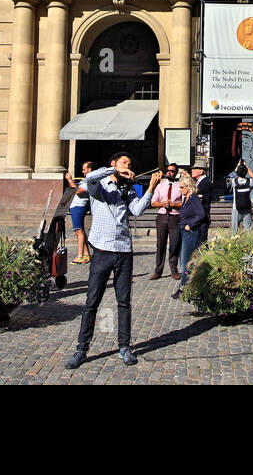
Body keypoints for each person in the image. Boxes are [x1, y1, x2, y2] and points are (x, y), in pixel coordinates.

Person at [66, 154, 162, 368]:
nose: (128, 166)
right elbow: (89, 177)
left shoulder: (126, 189)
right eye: (124, 163)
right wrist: (114, 172)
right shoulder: (99, 185)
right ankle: (82, 349)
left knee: (124, 301)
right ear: (113, 164)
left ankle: (124, 347)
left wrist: (150, 188)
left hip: (124, 251)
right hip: (102, 250)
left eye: (129, 163)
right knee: (92, 302)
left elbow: (137, 210)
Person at [173, 177, 206, 299]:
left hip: (190, 232)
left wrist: (190, 224)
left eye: (182, 187)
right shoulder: (187, 199)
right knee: (183, 260)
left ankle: (185, 289)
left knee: (186, 261)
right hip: (183, 231)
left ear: (188, 187)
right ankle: (186, 287)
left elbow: (201, 214)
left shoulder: (194, 198)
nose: (180, 189)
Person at [151, 163, 183, 280]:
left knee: (174, 244)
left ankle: (174, 270)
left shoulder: (180, 186)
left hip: (175, 217)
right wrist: (162, 204)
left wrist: (173, 204)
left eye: (172, 171)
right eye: (168, 171)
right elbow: (153, 202)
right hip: (162, 217)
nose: (170, 173)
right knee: (160, 245)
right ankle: (158, 271)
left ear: (176, 172)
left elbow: (183, 202)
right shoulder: (160, 186)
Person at [66, 162, 94, 265]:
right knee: (79, 230)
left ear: (89, 169)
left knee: (79, 230)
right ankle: (86, 254)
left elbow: (78, 191)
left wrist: (69, 180)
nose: (82, 171)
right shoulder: (85, 179)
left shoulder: (90, 180)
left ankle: (80, 255)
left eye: (84, 169)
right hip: (75, 206)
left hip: (79, 206)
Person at [228, 161, 253, 232]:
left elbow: (230, 176)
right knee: (249, 229)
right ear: (246, 172)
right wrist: (246, 166)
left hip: (236, 208)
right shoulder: (249, 181)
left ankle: (234, 242)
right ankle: (250, 242)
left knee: (234, 230)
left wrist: (237, 166)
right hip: (247, 208)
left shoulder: (234, 181)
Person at [190, 166, 212, 244]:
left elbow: (197, 195)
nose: (192, 170)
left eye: (195, 169)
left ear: (201, 171)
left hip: (202, 215)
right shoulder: (198, 182)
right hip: (197, 215)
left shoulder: (205, 182)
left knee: (201, 241)